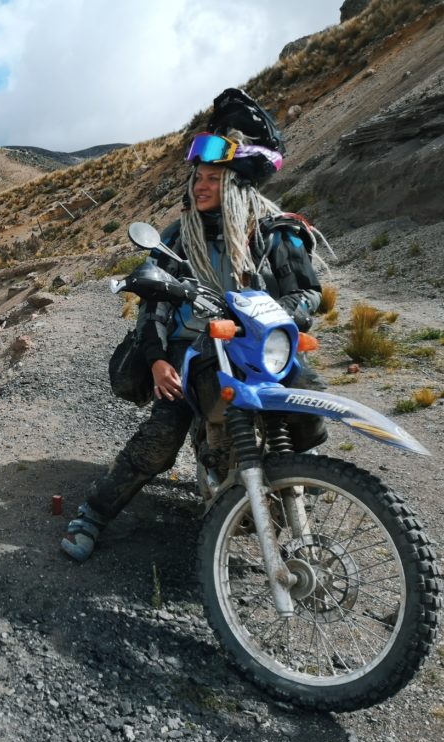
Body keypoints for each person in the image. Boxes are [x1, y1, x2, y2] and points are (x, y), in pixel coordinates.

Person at [61, 89, 324, 563]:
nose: (199, 186)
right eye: (197, 177)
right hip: (195, 351)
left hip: (259, 347)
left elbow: (308, 294)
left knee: (308, 408)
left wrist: (270, 317)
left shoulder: (274, 231)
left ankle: (304, 482)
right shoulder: (179, 237)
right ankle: (93, 514)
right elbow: (151, 305)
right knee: (159, 442)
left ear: (237, 184)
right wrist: (159, 359)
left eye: (211, 178)